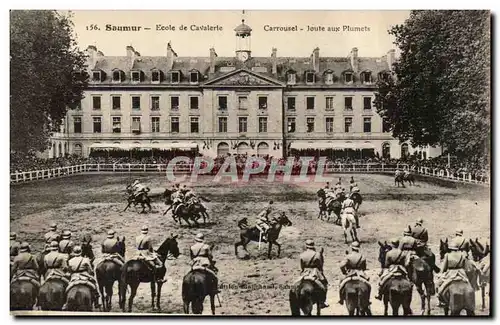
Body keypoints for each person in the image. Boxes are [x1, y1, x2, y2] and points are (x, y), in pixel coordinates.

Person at [436, 241, 470, 307]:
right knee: (469, 284)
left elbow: (443, 268)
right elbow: (466, 268)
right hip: (462, 273)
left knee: (438, 284)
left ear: (450, 248)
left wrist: (441, 274)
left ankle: (441, 301)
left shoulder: (447, 255)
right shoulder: (462, 255)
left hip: (450, 274)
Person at [297, 239, 329, 309]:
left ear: (306, 246)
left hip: (305, 272)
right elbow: (320, 265)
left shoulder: (302, 255)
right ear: (313, 246)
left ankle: (295, 301)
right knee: (324, 284)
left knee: (296, 285)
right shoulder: (317, 254)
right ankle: (322, 302)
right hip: (315, 272)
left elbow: (301, 267)